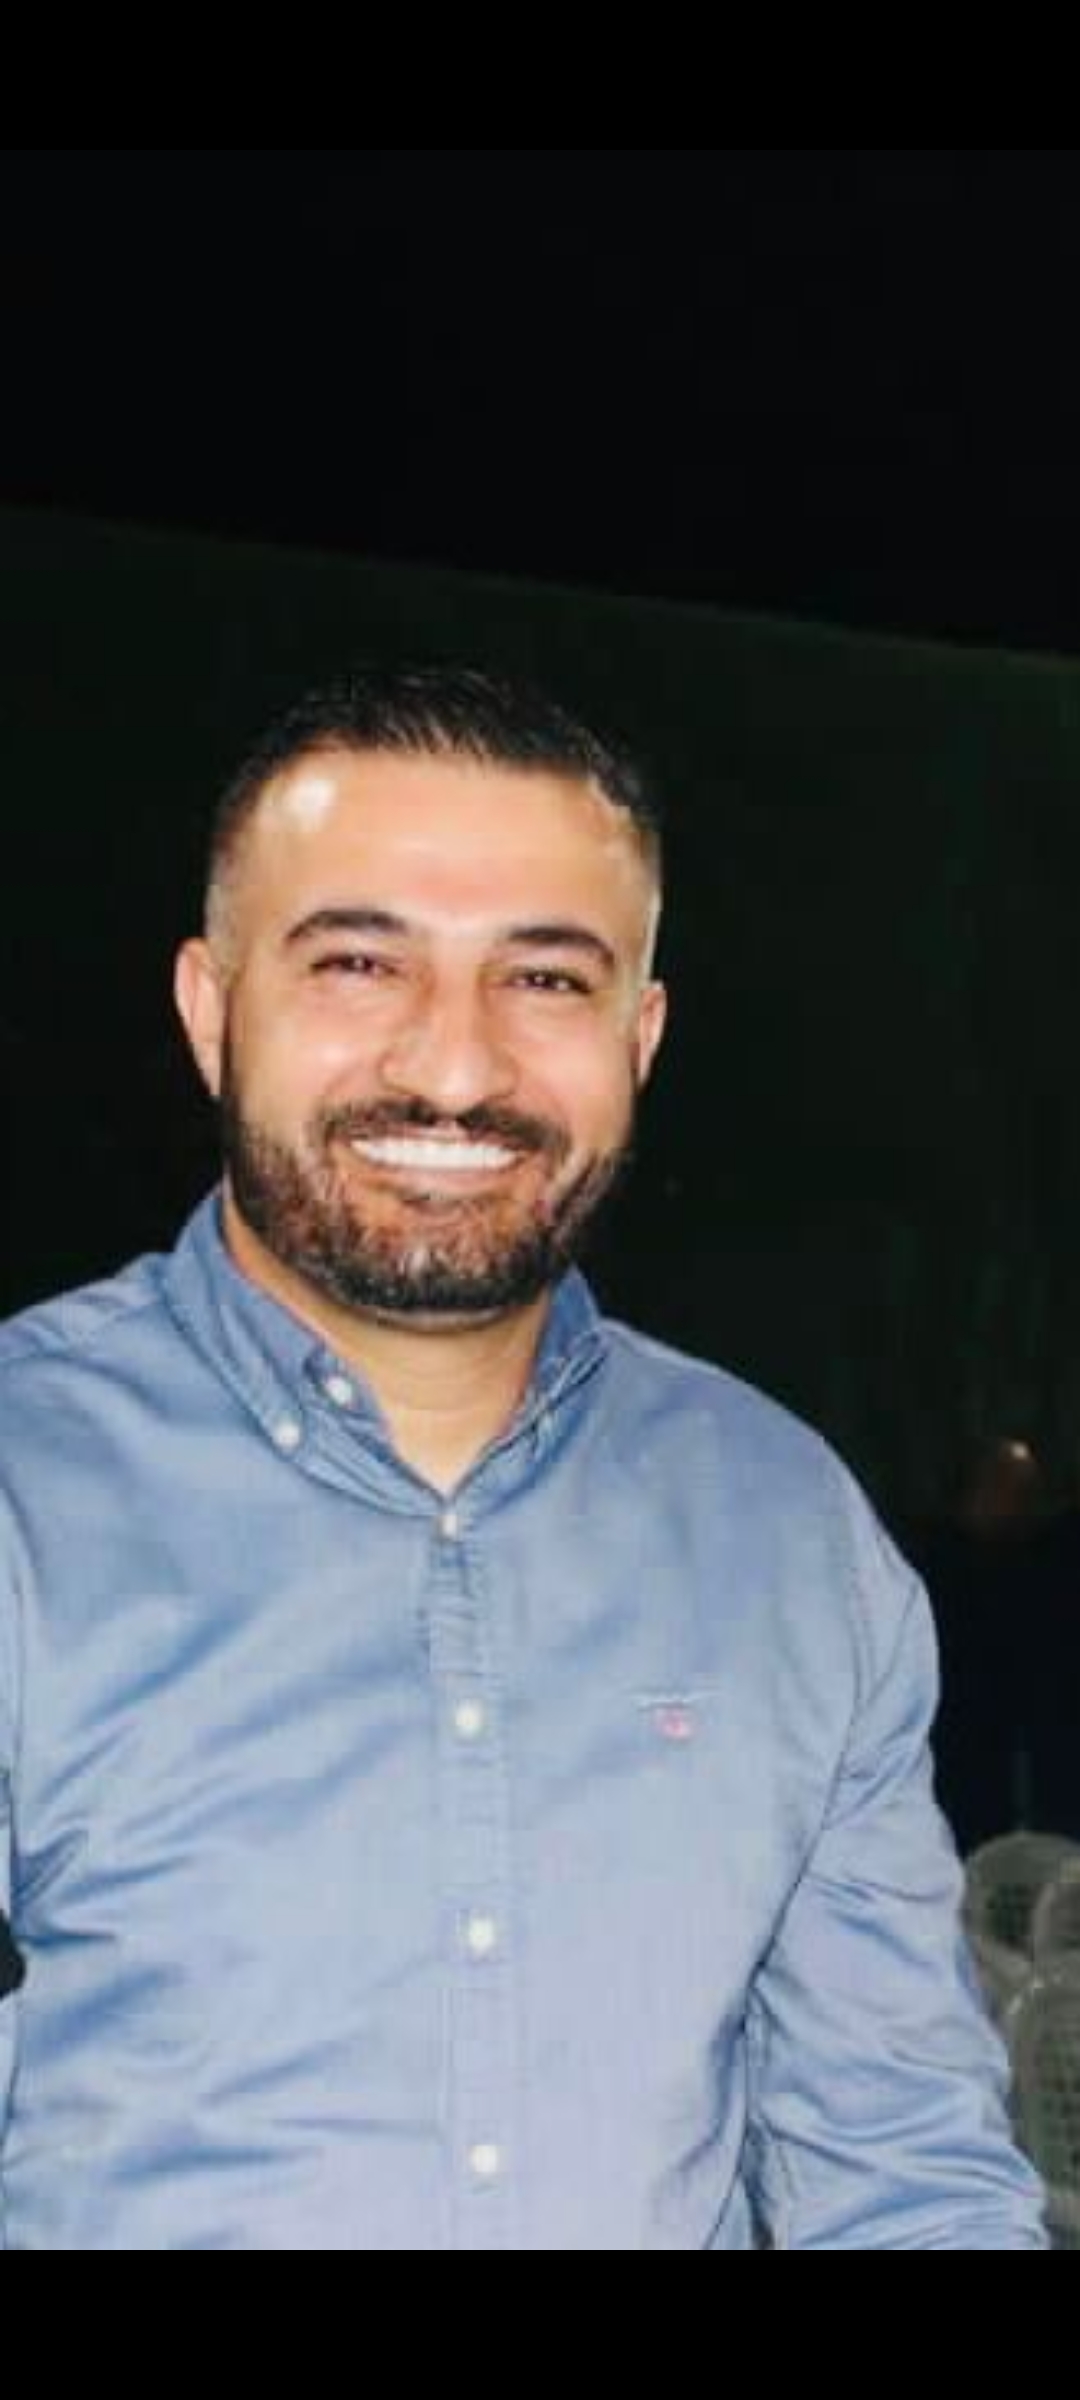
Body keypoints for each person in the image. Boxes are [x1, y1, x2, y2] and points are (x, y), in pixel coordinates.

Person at [0, 666, 1046, 2250]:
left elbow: (902, 2174)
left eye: (545, 979)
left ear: (643, 1034)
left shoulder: (783, 1532)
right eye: (360, 963)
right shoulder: (29, 1486)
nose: (456, 1067)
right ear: (212, 1013)